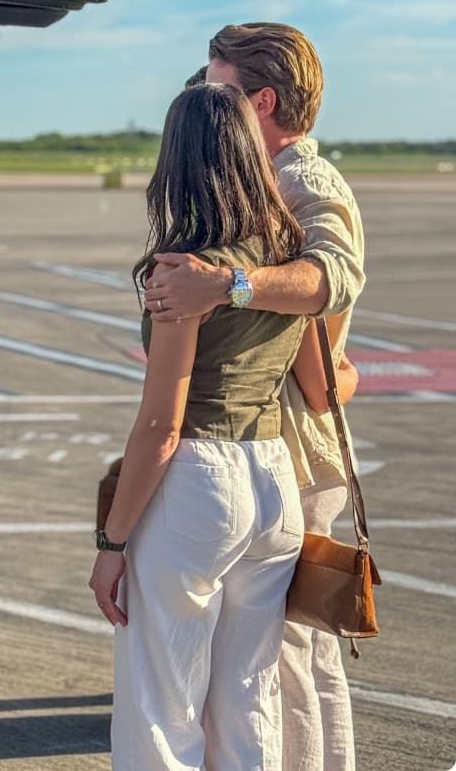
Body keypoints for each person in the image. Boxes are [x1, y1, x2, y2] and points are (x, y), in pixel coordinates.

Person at [143, 23, 365, 771]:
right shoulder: (263, 197)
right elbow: (319, 355)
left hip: (283, 450)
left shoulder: (305, 182)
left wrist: (227, 284)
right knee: (267, 672)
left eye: (220, 92)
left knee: (287, 671)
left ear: (260, 100)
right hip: (273, 455)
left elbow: (332, 275)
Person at [89, 82, 312, 770]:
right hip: (275, 479)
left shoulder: (185, 269)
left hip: (199, 480)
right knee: (248, 698)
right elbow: (320, 384)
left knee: (162, 707)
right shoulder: (287, 250)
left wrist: (111, 542)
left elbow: (160, 424)